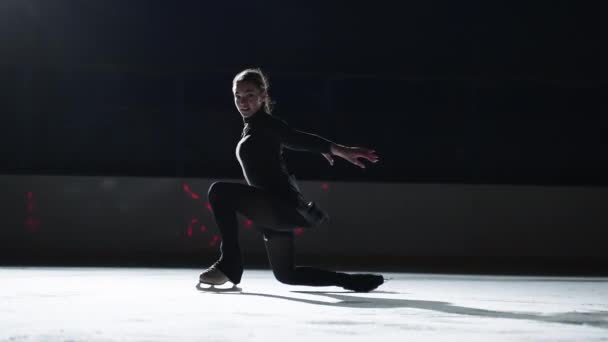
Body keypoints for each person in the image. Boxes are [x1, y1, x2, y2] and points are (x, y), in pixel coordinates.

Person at [199, 68, 384, 292]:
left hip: (278, 204)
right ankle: (350, 281)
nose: (242, 101)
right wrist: (322, 149)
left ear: (263, 95)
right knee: (286, 274)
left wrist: (338, 149)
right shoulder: (252, 127)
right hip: (271, 208)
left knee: (219, 192)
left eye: (249, 95)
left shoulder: (266, 124)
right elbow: (290, 142)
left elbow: (295, 138)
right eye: (238, 96)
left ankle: (229, 265)